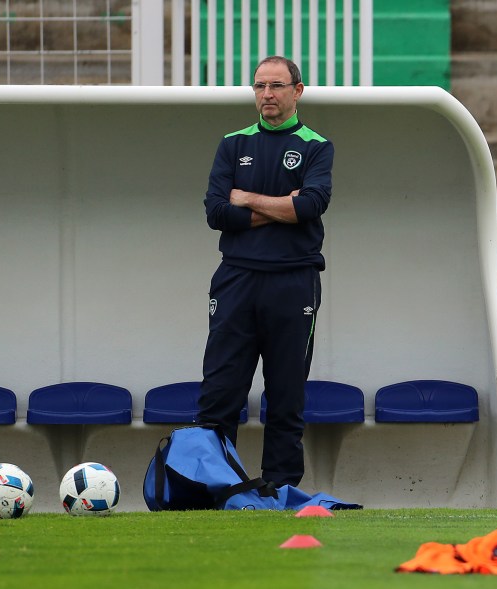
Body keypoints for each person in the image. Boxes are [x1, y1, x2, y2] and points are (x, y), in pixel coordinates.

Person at [198, 56, 334, 488]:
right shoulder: (232, 144)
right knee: (220, 390)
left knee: (286, 393)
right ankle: (213, 485)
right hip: (236, 278)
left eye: (276, 86)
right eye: (259, 86)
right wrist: (280, 207)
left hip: (294, 281)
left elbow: (310, 206)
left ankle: (279, 487)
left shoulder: (316, 146)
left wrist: (248, 199)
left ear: (298, 90)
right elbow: (217, 212)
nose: (267, 95)